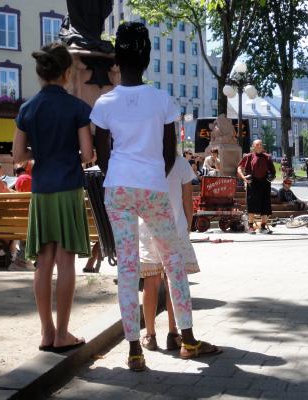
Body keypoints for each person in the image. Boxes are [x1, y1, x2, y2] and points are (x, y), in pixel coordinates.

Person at [90, 22, 220, 371]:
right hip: (152, 187)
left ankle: (134, 348)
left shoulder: (105, 102)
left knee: (128, 267)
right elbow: (169, 151)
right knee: (173, 262)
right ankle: (188, 338)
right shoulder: (162, 99)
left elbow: (102, 154)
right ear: (147, 59)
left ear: (116, 60)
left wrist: (120, 176)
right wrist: (151, 176)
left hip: (118, 188)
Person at [12, 42, 94, 353]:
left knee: (43, 261)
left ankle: (46, 333)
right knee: (65, 260)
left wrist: (41, 152)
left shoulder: (28, 108)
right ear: (67, 72)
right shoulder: (77, 107)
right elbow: (87, 154)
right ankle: (62, 334)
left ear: (40, 72)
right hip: (68, 187)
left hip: (42, 189)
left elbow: (18, 155)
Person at [140, 155, 200, 352]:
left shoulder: (143, 159)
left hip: (147, 228)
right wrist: (187, 226)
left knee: (151, 281)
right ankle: (173, 333)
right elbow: (187, 200)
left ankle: (150, 335)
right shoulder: (180, 162)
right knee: (173, 281)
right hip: (175, 229)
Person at [237, 139, 276, 234]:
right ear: (253, 146)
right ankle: (250, 226)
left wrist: (272, 177)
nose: (259, 146)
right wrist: (244, 178)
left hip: (265, 183)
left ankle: (263, 226)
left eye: (261, 144)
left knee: (265, 205)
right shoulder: (249, 156)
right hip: (252, 182)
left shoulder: (267, 157)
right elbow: (239, 168)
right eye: (257, 144)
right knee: (251, 205)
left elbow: (273, 172)